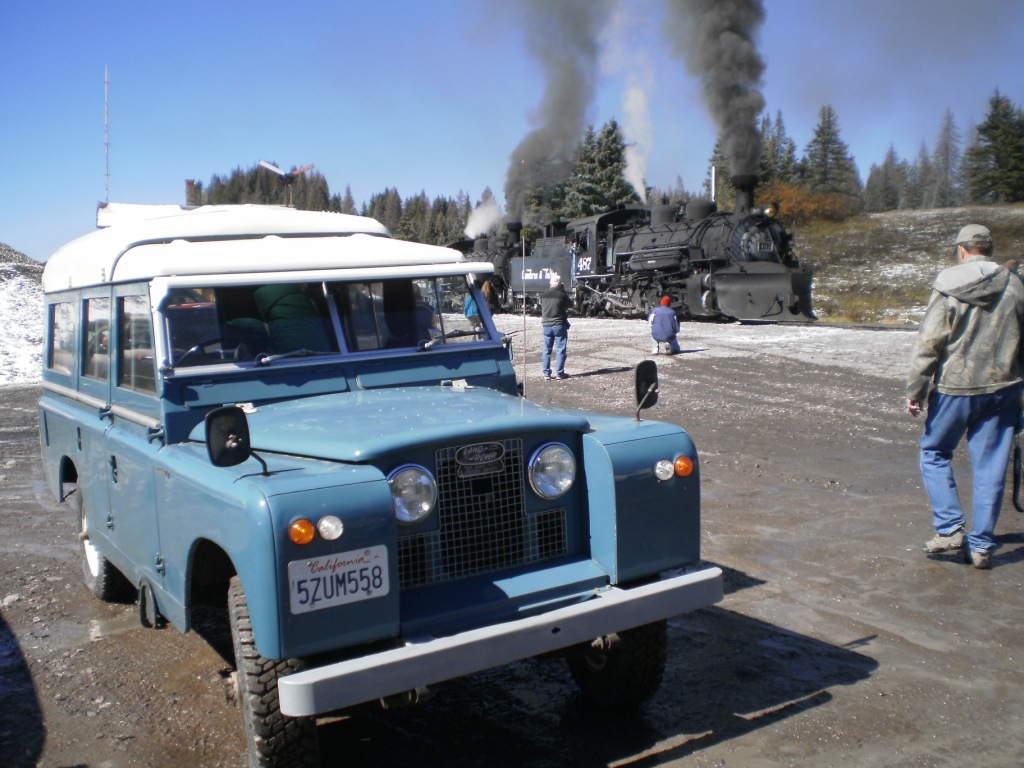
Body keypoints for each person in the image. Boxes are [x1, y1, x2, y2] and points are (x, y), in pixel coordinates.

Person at [906, 224, 1024, 569]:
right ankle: (982, 545)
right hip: (1004, 387)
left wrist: (916, 390)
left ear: (961, 250)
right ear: (989, 249)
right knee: (991, 466)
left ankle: (949, 528)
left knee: (934, 451)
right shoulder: (1015, 284)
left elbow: (930, 342)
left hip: (955, 388)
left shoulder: (948, 282)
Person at [539, 273, 572, 380]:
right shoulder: (562, 295)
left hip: (546, 325)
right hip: (559, 325)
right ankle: (559, 373)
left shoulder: (543, 295)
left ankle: (546, 374)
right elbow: (571, 305)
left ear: (550, 283)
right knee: (560, 350)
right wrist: (563, 291)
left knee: (546, 350)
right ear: (560, 284)